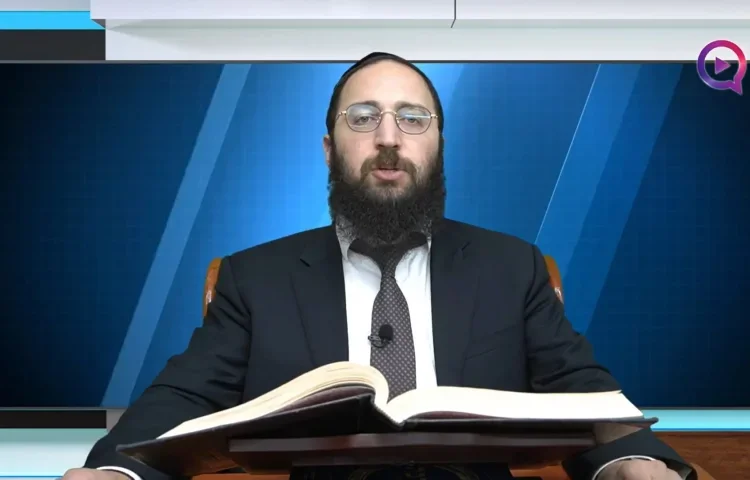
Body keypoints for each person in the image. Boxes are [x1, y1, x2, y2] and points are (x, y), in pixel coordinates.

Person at [63, 52, 693, 480]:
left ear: (438, 145)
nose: (388, 138)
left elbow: (578, 388)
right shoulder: (255, 278)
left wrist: (631, 462)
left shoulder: (512, 266)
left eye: (412, 119)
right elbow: (184, 396)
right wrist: (115, 471)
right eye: (362, 118)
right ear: (328, 148)